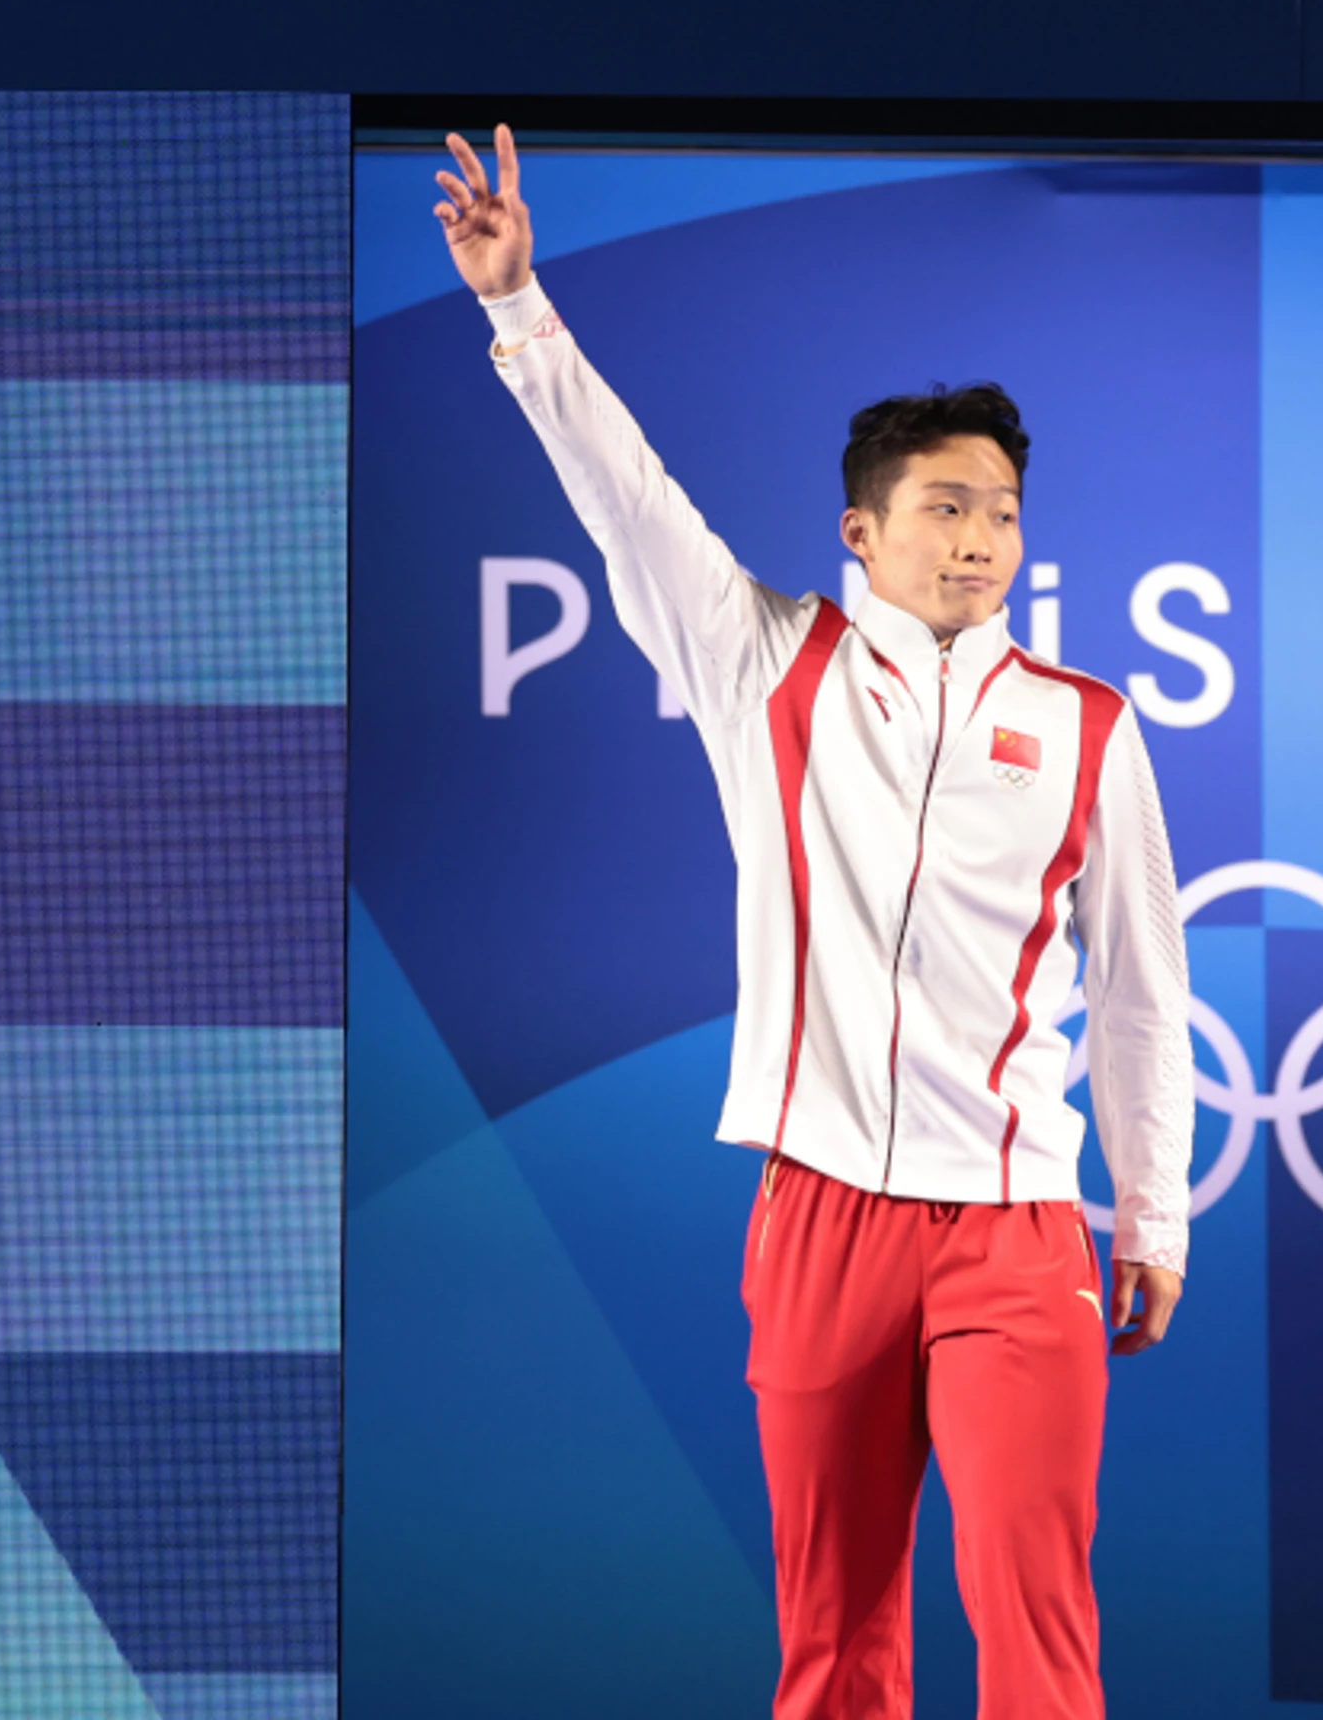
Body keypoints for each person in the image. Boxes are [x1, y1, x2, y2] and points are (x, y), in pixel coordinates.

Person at [434, 124, 1197, 1720]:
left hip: (1015, 1230)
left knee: (1038, 1634)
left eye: (1000, 511)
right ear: (860, 530)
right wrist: (520, 313)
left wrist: (1155, 1208)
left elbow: (1136, 992)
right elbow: (629, 505)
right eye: (942, 507)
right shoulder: (761, 662)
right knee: (836, 1642)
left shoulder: (1089, 725)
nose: (979, 536)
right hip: (821, 1213)